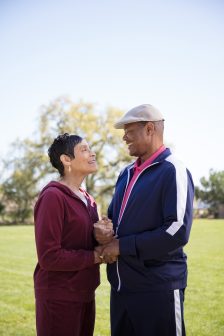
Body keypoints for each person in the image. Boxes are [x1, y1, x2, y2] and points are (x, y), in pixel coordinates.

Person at [95, 104, 194, 336]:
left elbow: (177, 230)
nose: (124, 137)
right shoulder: (125, 173)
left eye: (129, 131)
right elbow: (113, 218)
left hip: (158, 290)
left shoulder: (173, 170)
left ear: (150, 129)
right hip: (121, 289)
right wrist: (104, 231)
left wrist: (121, 246)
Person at [33, 133, 102, 336]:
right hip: (59, 297)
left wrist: (103, 236)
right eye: (84, 149)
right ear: (66, 159)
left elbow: (83, 240)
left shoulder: (89, 200)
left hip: (85, 294)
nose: (92, 153)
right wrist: (96, 256)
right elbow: (49, 257)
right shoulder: (53, 197)